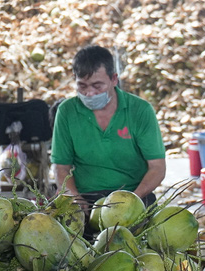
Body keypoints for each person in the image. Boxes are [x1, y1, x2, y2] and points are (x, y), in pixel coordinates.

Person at [51, 45, 166, 210]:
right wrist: (75, 198)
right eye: (82, 86)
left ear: (114, 79)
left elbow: (157, 167)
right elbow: (61, 167)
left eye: (97, 86)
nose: (90, 93)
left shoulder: (140, 110)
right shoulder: (67, 111)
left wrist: (133, 198)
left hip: (134, 193)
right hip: (86, 197)